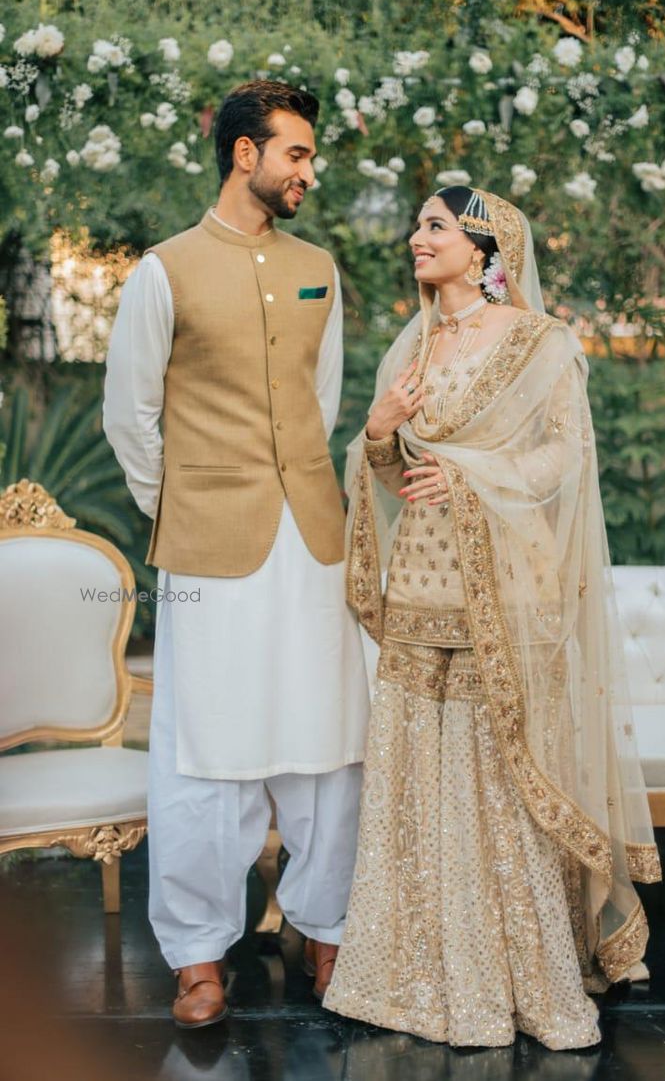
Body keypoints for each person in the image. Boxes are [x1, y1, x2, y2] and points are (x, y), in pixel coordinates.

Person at [323, 185, 661, 1050]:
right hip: (421, 588)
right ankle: (410, 972)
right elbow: (393, 470)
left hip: (507, 590)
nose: (416, 238)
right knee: (417, 770)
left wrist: (471, 479)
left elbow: (562, 457)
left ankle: (512, 975)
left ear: (484, 247)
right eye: (418, 224)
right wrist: (377, 427)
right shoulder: (418, 343)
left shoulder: (540, 343)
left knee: (492, 774)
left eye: (435, 226)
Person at [103, 80, 370, 1028]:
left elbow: (324, 401)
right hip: (207, 547)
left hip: (314, 539)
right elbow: (129, 416)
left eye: (309, 154)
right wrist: (186, 506)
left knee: (329, 740)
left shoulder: (321, 267)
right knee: (203, 750)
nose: (308, 170)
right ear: (242, 154)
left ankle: (327, 925)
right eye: (294, 152)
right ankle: (198, 955)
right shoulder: (162, 272)